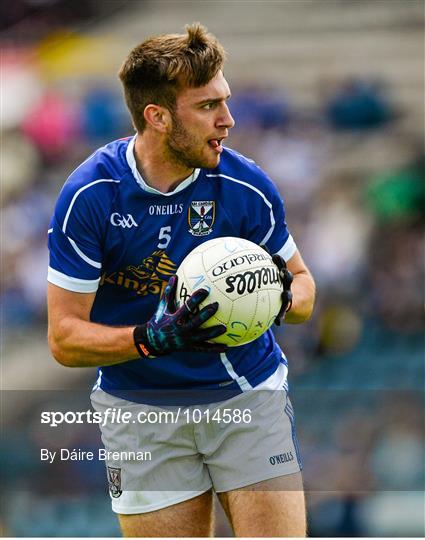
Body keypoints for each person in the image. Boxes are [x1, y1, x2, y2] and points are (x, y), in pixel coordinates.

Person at [47, 23, 316, 537]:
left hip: (246, 396)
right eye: (208, 106)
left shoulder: (246, 186)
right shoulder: (91, 195)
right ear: (158, 116)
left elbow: (304, 289)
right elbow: (64, 339)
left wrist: (273, 296)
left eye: (226, 101)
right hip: (140, 410)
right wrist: (153, 339)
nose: (228, 120)